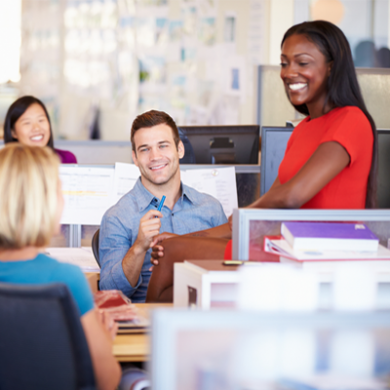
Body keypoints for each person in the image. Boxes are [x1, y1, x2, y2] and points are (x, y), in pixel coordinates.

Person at [147, 20, 378, 302]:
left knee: (172, 256)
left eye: (302, 62)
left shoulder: (351, 120)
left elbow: (292, 196)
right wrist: (186, 238)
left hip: (319, 256)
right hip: (286, 246)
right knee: (172, 263)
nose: (289, 72)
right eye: (284, 63)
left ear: (332, 66)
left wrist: (244, 216)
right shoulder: (303, 128)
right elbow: (268, 210)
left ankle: (153, 340)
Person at [0, 144, 121, 390]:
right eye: (58, 191)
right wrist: (104, 342)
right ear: (42, 204)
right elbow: (106, 381)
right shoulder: (65, 279)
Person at [99, 110, 227, 302]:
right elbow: (110, 294)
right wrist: (139, 248)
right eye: (145, 149)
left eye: (163, 146)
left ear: (180, 150)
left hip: (205, 317)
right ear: (135, 158)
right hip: (147, 323)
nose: (155, 156)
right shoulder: (117, 217)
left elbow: (233, 268)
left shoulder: (210, 208)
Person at [3, 95, 77, 164]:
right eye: (27, 123)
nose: (36, 128)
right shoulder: (5, 164)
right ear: (13, 132)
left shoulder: (66, 159)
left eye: (41, 120)